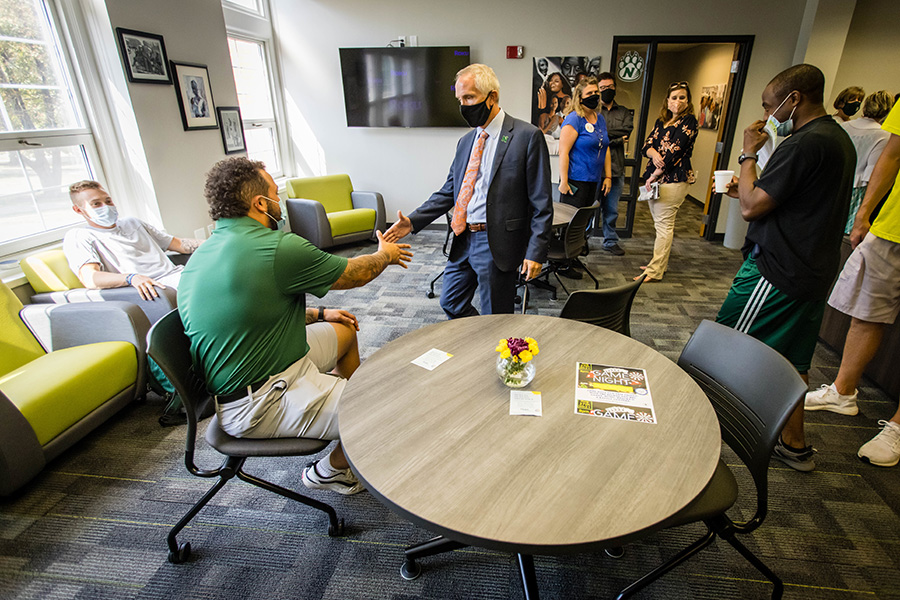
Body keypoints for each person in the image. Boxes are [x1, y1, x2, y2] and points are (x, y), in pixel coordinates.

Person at [178, 157, 412, 495]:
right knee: (390, 405)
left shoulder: (202, 255)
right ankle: (331, 469)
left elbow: (249, 310)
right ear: (260, 204)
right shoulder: (278, 246)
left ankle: (344, 412)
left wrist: (319, 315)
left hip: (263, 367)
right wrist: (385, 254)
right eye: (275, 193)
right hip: (259, 402)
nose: (279, 202)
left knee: (343, 331)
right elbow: (355, 273)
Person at [717, 64, 856, 472]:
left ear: (793, 99)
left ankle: (694, 434)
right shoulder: (837, 139)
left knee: (718, 351)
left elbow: (750, 206)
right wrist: (748, 184)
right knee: (792, 362)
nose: (767, 112)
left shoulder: (803, 143)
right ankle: (794, 443)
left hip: (776, 271)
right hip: (813, 272)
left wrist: (747, 153)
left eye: (769, 104)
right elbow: (786, 197)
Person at [384, 63, 552, 318]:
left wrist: (535, 252)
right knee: (450, 301)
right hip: (463, 239)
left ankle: (495, 354)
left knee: (495, 317)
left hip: (497, 243)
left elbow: (542, 203)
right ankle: (479, 343)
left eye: (469, 97)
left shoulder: (526, 136)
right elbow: (449, 190)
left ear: (491, 97)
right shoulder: (466, 142)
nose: (463, 105)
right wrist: (413, 221)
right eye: (460, 99)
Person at [804, 99, 900, 468]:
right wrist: (864, 213)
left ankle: (896, 426)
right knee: (866, 312)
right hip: (890, 226)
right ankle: (843, 391)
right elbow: (892, 155)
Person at [64, 180, 202, 300]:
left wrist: (218, 242)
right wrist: (130, 278)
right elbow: (90, 278)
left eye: (108, 201)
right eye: (96, 204)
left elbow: (178, 244)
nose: (105, 207)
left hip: (179, 275)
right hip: (155, 287)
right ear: (78, 210)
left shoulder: (133, 223)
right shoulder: (80, 236)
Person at [637, 81, 698, 282]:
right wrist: (653, 152)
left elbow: (675, 151)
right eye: (674, 97)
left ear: (688, 100)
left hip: (672, 179)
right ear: (667, 100)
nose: (678, 101)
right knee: (659, 225)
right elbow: (646, 145)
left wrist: (655, 174)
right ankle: (658, 263)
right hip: (656, 181)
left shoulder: (688, 121)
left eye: (682, 97)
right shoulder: (661, 121)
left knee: (664, 226)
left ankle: (655, 271)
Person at [557, 76, 611, 278]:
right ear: (579, 97)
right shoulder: (573, 119)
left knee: (583, 222)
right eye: (590, 94)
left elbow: (605, 148)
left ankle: (573, 256)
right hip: (575, 181)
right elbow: (564, 152)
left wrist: (608, 176)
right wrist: (563, 181)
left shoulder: (600, 118)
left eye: (596, 93)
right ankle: (562, 263)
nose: (595, 96)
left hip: (593, 180)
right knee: (570, 222)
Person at [839, 90, 893, 233]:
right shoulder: (883, 135)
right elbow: (872, 173)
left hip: (834, 183)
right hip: (856, 190)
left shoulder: (844, 126)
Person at [597, 72, 634, 256]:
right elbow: (618, 135)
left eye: (609, 87)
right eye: (602, 88)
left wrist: (603, 136)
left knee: (611, 209)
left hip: (616, 168)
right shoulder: (593, 112)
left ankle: (610, 241)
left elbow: (626, 130)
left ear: (615, 88)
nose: (606, 91)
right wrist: (617, 138)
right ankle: (581, 241)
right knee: (589, 208)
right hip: (594, 170)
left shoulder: (624, 112)